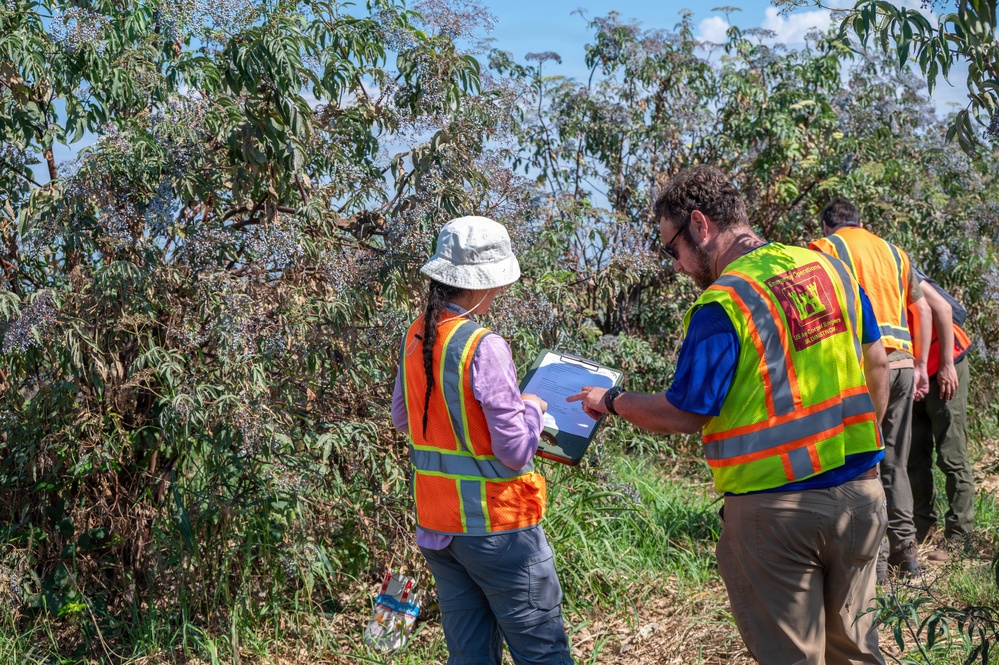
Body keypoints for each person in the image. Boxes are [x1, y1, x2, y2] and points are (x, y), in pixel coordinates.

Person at [569, 165, 890, 663]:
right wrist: (869, 454)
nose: (675, 264)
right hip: (861, 497)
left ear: (700, 225)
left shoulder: (726, 302)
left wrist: (611, 401)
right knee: (858, 652)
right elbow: (876, 363)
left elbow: (684, 412)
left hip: (775, 513)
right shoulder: (828, 268)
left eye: (671, 247)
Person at [391, 215, 574, 665]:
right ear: (486, 283)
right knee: (542, 653)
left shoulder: (417, 334)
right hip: (498, 528)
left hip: (439, 527)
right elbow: (514, 451)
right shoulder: (484, 345)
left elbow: (402, 417)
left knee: (470, 656)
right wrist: (533, 407)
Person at [810, 199, 931, 579]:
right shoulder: (895, 253)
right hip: (904, 365)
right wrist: (922, 364)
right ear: (861, 222)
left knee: (865, 463)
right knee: (894, 460)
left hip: (865, 367)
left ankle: (874, 565)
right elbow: (923, 309)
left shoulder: (827, 249)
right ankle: (907, 554)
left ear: (828, 225)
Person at [907, 268, 975, 561]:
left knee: (951, 453)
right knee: (914, 455)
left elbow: (943, 307)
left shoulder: (895, 264)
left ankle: (960, 537)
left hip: (946, 363)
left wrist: (947, 365)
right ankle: (922, 527)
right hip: (913, 374)